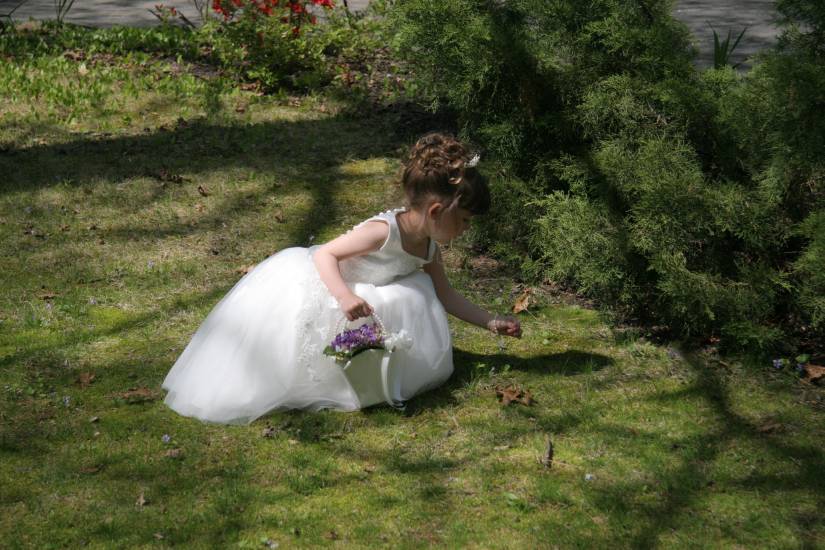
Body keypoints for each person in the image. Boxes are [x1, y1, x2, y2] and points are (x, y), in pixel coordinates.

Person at [162, 132, 522, 424]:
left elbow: (446, 295)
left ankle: (374, 374)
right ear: (436, 210)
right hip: (328, 284)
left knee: (413, 296)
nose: (465, 229)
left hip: (370, 297)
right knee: (297, 347)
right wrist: (344, 296)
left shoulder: (430, 249)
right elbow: (325, 255)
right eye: (464, 221)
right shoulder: (382, 232)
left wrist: (490, 322)